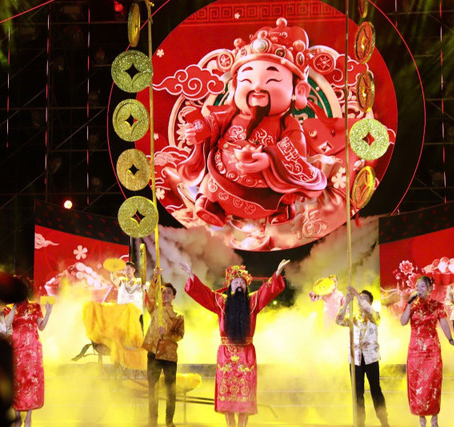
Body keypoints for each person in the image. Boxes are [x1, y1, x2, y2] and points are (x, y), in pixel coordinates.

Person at [179, 17, 326, 227]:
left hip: (265, 192)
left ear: (299, 91)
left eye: (272, 80)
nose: (257, 86)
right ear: (233, 88)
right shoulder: (229, 115)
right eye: (247, 80)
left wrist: (269, 160)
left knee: (287, 188)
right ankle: (211, 206)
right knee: (209, 184)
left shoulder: (288, 125)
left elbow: (295, 153)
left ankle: (281, 208)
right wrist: (197, 133)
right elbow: (209, 126)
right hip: (222, 180)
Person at [180, 259, 289, 427]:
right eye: (236, 282)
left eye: (242, 283)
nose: (239, 285)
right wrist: (191, 275)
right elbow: (204, 293)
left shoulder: (253, 302)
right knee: (227, 394)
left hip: (246, 354)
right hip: (226, 355)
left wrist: (277, 273)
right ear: (230, 286)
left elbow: (267, 291)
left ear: (246, 287)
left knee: (245, 394)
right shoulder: (221, 302)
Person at [400, 276, 454, 427]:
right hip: (415, 351)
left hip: (432, 350)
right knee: (417, 384)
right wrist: (409, 304)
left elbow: (444, 324)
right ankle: (421, 420)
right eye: (417, 286)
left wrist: (450, 339)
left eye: (422, 286)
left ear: (430, 289)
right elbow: (403, 322)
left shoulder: (437, 306)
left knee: (432, 383)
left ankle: (434, 419)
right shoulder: (412, 305)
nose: (419, 289)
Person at [335, 286, 389, 427]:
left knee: (375, 389)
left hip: (371, 358)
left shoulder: (374, 316)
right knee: (357, 392)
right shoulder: (352, 318)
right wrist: (347, 303)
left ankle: (384, 420)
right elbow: (338, 320)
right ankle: (359, 422)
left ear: (369, 303)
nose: (360, 301)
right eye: (359, 298)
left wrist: (358, 296)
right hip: (355, 360)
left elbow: (369, 311)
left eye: (365, 299)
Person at [5, 277, 53, 427]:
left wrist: (48, 313)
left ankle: (29, 417)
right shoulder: (8, 307)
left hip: (33, 350)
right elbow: (6, 325)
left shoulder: (35, 306)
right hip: (16, 349)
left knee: (32, 381)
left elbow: (41, 327)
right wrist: (14, 305)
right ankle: (17, 416)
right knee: (17, 382)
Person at [142, 266, 185, 427]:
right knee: (152, 389)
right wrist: (155, 278)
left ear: (173, 296)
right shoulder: (154, 310)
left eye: (168, 292)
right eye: (163, 292)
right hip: (153, 353)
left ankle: (169, 421)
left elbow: (179, 335)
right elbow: (150, 297)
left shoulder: (178, 316)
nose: (165, 294)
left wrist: (166, 333)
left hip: (169, 356)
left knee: (170, 390)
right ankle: (152, 421)